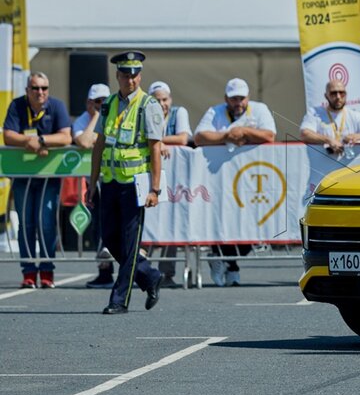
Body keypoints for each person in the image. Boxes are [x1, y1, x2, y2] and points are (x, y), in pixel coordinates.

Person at [83, 51, 165, 314]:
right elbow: (99, 145)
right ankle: (149, 276)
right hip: (110, 181)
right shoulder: (108, 103)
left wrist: (155, 189)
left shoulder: (147, 105)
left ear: (139, 76)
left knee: (130, 245)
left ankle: (119, 300)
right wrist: (92, 183)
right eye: (126, 75)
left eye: (135, 75)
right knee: (109, 238)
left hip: (135, 184)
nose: (131, 80)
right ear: (117, 76)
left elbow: (155, 148)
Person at [194, 77, 277, 286]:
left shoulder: (259, 109)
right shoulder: (215, 111)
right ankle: (231, 267)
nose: (238, 102)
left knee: (253, 224)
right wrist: (227, 136)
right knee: (222, 219)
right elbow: (199, 137)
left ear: (248, 97)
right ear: (226, 99)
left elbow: (270, 135)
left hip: (252, 179)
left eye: (241, 98)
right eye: (233, 98)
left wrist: (245, 131)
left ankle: (224, 260)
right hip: (220, 178)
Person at [2, 72, 72, 288]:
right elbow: (8, 135)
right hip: (23, 177)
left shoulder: (57, 106)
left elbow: (66, 136)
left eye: (44, 88)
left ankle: (47, 270)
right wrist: (27, 141)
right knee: (26, 225)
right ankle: (29, 272)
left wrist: (41, 140)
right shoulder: (17, 105)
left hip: (48, 177)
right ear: (27, 90)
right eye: (35, 88)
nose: (40, 92)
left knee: (46, 223)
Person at [146, 81, 192, 287]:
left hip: (174, 178)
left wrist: (157, 141)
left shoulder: (178, 112)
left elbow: (183, 138)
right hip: (149, 176)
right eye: (157, 100)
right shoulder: (144, 114)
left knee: (170, 220)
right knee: (146, 222)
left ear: (170, 100)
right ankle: (144, 271)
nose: (162, 104)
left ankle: (167, 273)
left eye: (165, 99)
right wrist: (158, 143)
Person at [71, 83, 116, 289]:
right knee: (98, 224)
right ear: (89, 103)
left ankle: (134, 272)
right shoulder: (83, 120)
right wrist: (98, 116)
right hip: (95, 182)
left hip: (117, 177)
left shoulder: (117, 116)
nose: (102, 105)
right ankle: (105, 273)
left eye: (105, 101)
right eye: (98, 102)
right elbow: (84, 142)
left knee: (119, 224)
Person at [299, 79, 360, 155]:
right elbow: (304, 134)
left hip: (349, 162)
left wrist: (358, 136)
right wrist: (328, 140)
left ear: (346, 94)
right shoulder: (315, 113)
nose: (338, 97)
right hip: (323, 161)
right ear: (326, 96)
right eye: (333, 93)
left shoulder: (355, 115)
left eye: (341, 93)